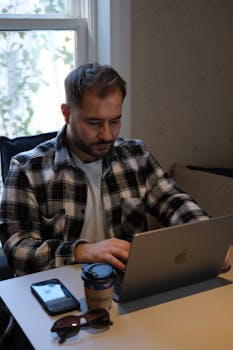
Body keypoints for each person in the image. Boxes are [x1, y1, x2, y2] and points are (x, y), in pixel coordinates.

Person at [0, 62, 231, 276]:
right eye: (94, 123)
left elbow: (174, 202)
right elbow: (17, 249)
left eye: (115, 121)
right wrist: (82, 251)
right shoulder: (27, 168)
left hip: (125, 282)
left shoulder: (136, 156)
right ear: (67, 114)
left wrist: (207, 241)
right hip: (59, 287)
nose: (108, 134)